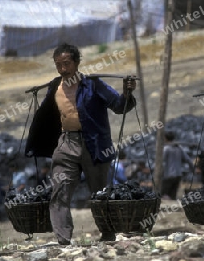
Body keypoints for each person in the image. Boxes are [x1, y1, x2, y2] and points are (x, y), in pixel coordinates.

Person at [25, 43, 137, 245]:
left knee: (99, 193)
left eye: (66, 64)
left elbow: (119, 106)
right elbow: (45, 116)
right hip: (66, 143)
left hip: (93, 144)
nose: (62, 69)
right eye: (58, 65)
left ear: (76, 63)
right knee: (59, 189)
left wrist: (128, 94)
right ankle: (63, 239)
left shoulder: (93, 85)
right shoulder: (54, 87)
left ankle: (108, 233)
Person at [162, 131, 194, 200]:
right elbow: (188, 159)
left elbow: (162, 161)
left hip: (169, 175)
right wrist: (192, 169)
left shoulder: (166, 149)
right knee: (173, 194)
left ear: (166, 138)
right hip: (178, 174)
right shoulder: (179, 148)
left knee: (165, 194)